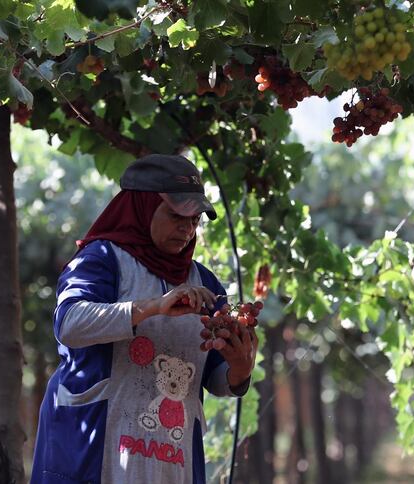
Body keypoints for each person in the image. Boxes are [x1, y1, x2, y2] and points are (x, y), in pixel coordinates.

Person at [31, 154, 259, 484]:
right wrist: (152, 307)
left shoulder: (206, 285)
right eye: (176, 215)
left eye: (195, 219)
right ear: (141, 206)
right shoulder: (101, 258)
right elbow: (69, 323)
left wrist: (240, 369)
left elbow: (214, 378)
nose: (188, 227)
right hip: (94, 455)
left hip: (172, 461)